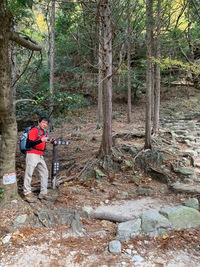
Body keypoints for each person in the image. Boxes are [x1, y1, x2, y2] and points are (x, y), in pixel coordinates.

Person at [23, 117, 55, 203]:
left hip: (40, 155)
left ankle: (43, 193)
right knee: (29, 173)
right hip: (32, 153)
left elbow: (43, 141)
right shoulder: (34, 130)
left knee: (45, 172)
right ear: (39, 122)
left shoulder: (44, 132)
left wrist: (49, 140)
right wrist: (41, 140)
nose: (45, 125)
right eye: (43, 123)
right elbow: (29, 143)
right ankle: (27, 193)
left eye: (46, 124)